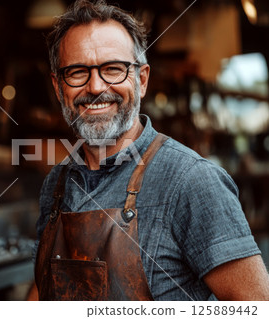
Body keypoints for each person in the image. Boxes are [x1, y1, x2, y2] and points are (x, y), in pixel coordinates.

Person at [28, 0, 269, 301]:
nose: (95, 86)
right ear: (57, 86)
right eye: (77, 72)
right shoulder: (57, 183)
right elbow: (42, 289)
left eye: (113, 69)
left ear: (141, 80)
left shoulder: (192, 182)